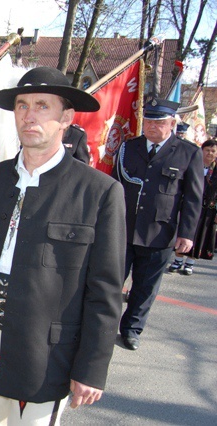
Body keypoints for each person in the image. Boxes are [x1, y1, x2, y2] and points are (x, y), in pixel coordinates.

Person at [0, 67, 126, 425]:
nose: (29, 115)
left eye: (42, 106)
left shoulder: (99, 192)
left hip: (45, 351)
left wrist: (92, 368)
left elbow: (105, 291)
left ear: (66, 117)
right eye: (22, 106)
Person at [113, 98, 203, 351]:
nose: (151, 126)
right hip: (124, 228)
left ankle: (131, 329)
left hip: (159, 233)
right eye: (148, 121)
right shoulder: (128, 148)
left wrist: (186, 234)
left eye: (159, 122)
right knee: (110, 281)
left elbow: (193, 198)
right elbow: (113, 185)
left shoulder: (188, 153)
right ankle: (104, 325)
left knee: (145, 286)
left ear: (172, 124)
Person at [167, 138, 217, 274]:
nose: (210, 154)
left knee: (200, 236)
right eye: (207, 150)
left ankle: (190, 263)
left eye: (213, 151)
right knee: (184, 231)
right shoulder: (193, 164)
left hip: (207, 210)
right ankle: (177, 261)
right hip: (188, 206)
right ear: (201, 151)